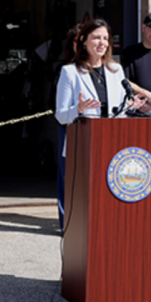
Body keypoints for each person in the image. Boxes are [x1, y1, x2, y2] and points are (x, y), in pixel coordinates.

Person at [55, 19, 145, 125]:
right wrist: (78, 109)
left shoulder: (116, 70)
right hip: (85, 138)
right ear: (84, 40)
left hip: (113, 136)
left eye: (105, 38)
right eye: (96, 38)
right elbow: (61, 116)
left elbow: (119, 111)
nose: (102, 43)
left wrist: (130, 105)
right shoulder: (70, 72)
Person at [52, 23, 81, 231]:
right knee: (66, 174)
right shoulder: (65, 69)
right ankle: (66, 223)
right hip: (68, 125)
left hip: (91, 127)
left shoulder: (104, 70)